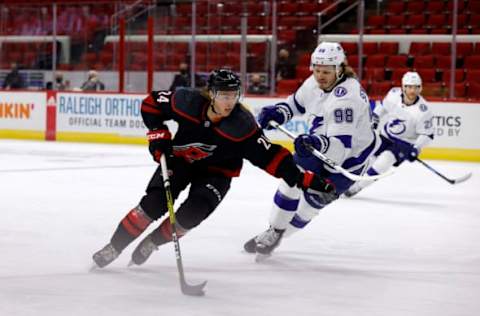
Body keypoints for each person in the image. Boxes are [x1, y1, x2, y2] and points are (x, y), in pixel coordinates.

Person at [92, 69, 335, 268]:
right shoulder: (187, 101)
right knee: (153, 205)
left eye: (233, 95)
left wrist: (304, 179)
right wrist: (158, 135)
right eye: (223, 95)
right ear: (211, 94)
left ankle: (153, 242)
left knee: (191, 214)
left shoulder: (242, 125)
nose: (229, 102)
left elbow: (269, 156)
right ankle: (114, 247)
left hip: (217, 173)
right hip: (180, 161)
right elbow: (152, 104)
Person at [243, 42, 378, 258]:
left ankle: (279, 234)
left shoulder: (347, 99)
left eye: (326, 71)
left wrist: (316, 144)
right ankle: (274, 231)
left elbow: (339, 150)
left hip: (348, 160)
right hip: (320, 143)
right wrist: (279, 112)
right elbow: (296, 105)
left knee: (308, 207)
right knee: (291, 178)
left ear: (339, 69)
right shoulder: (313, 83)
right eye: (316, 70)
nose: (320, 76)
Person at [344, 72, 434, 197]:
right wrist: (375, 117)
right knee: (368, 159)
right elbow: (382, 107)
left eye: (416, 87)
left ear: (420, 88)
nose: (413, 90)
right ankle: (347, 182)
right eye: (409, 87)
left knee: (384, 162)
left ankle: (356, 188)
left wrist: (417, 148)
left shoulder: (424, 111)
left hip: (404, 144)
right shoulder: (394, 95)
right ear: (403, 87)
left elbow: (427, 135)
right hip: (385, 136)